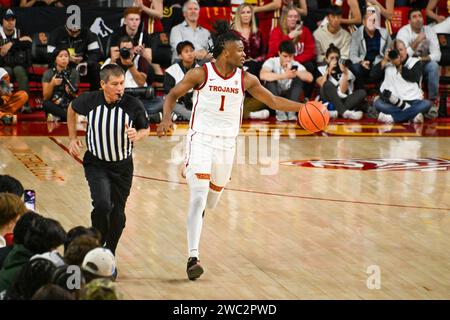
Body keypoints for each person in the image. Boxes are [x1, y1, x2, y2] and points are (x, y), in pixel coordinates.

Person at [157, 31, 311, 281]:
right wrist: (165, 120)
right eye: (239, 50)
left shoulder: (246, 79)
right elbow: (173, 94)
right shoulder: (201, 73)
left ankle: (194, 174)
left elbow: (272, 101)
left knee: (210, 202)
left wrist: (303, 108)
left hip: (227, 146)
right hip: (201, 140)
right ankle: (193, 257)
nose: (244, 53)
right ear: (225, 51)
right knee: (197, 197)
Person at [67, 64, 149, 259]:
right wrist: (72, 138)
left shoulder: (132, 104)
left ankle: (109, 252)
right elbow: (71, 109)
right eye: (115, 84)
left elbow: (146, 129)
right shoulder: (90, 100)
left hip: (122, 167)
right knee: (103, 205)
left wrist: (136, 135)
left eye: (122, 83)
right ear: (103, 84)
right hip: (97, 163)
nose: (120, 88)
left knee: (118, 214)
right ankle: (97, 245)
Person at [103, 35, 163, 123]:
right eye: (124, 49)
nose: (127, 52)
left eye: (129, 49)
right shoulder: (111, 61)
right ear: (118, 49)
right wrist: (112, 62)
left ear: (133, 49)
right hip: (117, 99)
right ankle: (147, 118)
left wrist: (131, 65)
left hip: (139, 99)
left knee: (161, 102)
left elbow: (141, 82)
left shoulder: (140, 60)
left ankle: (128, 118)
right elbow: (104, 83)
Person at [396, 8, 441, 119]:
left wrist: (421, 59)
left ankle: (432, 103)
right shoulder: (403, 32)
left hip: (423, 63)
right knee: (414, 66)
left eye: (420, 16)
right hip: (408, 65)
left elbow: (437, 55)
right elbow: (402, 57)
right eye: (414, 17)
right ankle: (413, 104)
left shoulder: (429, 31)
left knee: (434, 66)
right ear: (409, 21)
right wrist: (417, 41)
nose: (418, 19)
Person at [372, 39, 431, 124]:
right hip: (392, 102)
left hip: (412, 100)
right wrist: (385, 60)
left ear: (406, 50)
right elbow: (373, 76)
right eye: (396, 51)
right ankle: (412, 115)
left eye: (401, 50)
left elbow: (413, 77)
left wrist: (399, 65)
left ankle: (392, 118)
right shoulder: (387, 63)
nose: (399, 53)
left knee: (426, 104)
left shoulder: (415, 62)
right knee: (378, 103)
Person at [260, 40, 313, 121]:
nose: (288, 59)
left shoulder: (295, 64)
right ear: (279, 53)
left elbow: (310, 78)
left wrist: (295, 72)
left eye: (290, 56)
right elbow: (262, 75)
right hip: (275, 97)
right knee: (270, 81)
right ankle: (279, 111)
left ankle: (291, 111)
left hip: (290, 97)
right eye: (285, 56)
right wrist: (284, 75)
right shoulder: (272, 61)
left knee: (298, 79)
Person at [48, 17, 102, 90]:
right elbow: (50, 54)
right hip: (63, 65)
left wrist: (87, 63)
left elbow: (96, 52)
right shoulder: (56, 34)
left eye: (77, 32)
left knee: (96, 67)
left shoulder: (87, 33)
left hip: (82, 66)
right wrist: (67, 59)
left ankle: (94, 95)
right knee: (54, 66)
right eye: (72, 32)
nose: (75, 35)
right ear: (66, 27)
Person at [317, 43, 367, 120]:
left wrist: (345, 73)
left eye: (336, 58)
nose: (334, 60)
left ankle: (335, 113)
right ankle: (344, 112)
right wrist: (328, 71)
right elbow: (322, 86)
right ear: (326, 59)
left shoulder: (346, 70)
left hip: (342, 100)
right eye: (332, 58)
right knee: (327, 84)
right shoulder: (321, 69)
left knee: (362, 92)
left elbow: (343, 91)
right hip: (327, 100)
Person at [349, 11, 392, 87]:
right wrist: (361, 62)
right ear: (364, 22)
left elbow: (390, 50)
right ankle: (361, 90)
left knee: (389, 67)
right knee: (355, 67)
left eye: (374, 20)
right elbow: (352, 55)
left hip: (379, 64)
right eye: (369, 20)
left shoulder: (385, 33)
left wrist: (386, 57)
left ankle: (382, 90)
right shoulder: (356, 35)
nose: (372, 22)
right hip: (363, 64)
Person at [0, 9, 31, 109]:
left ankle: (25, 104)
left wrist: (10, 44)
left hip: (18, 66)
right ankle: (6, 103)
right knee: (6, 72)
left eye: (12, 20)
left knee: (19, 70)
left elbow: (29, 41)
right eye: (7, 20)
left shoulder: (19, 31)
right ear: (2, 21)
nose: (10, 22)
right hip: (2, 68)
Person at [164, 41, 199, 121]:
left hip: (196, 102)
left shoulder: (201, 70)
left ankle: (178, 116)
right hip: (178, 102)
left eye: (191, 50)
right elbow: (168, 90)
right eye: (186, 51)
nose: (190, 54)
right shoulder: (171, 70)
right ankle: (187, 116)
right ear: (179, 56)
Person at [42, 48, 79, 122]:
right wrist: (52, 84)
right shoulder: (48, 73)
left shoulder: (74, 72)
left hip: (68, 103)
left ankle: (62, 117)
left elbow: (75, 95)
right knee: (45, 103)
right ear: (55, 59)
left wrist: (70, 93)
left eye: (66, 56)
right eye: (61, 56)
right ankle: (69, 117)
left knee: (81, 100)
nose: (64, 59)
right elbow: (46, 97)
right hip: (55, 104)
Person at [231, 4, 266, 76]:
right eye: (243, 12)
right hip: (237, 67)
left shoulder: (258, 33)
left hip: (256, 66)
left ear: (252, 15)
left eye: (248, 12)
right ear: (239, 15)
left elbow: (263, 54)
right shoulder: (232, 33)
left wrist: (255, 60)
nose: (246, 15)